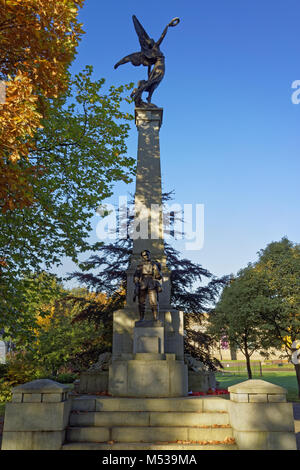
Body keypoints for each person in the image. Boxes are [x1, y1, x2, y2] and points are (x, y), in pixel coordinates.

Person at [114, 15, 180, 106]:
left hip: (157, 67)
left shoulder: (151, 54)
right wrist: (167, 26)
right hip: (159, 67)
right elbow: (162, 36)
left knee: (154, 83)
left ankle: (147, 97)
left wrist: (149, 76)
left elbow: (149, 67)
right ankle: (139, 92)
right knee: (154, 81)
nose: (153, 41)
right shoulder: (155, 48)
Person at [133, 250, 162, 322]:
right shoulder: (140, 266)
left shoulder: (155, 264)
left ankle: (155, 318)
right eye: (144, 255)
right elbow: (136, 276)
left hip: (152, 283)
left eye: (147, 254)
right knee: (141, 303)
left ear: (149, 254)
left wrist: (156, 270)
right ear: (142, 257)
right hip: (142, 284)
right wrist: (136, 285)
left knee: (154, 302)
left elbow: (159, 277)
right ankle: (141, 318)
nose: (146, 256)